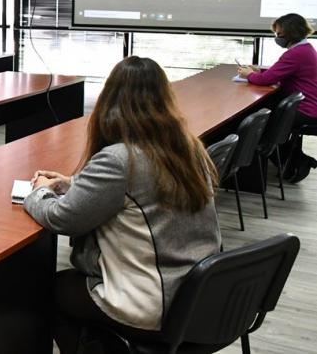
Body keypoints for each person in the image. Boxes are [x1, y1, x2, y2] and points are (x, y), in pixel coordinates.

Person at [24, 57, 221, 354]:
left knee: (45, 292)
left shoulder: (119, 158)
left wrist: (39, 193)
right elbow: (142, 189)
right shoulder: (188, 148)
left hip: (152, 303)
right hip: (201, 296)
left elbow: (62, 219)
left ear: (109, 99)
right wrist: (75, 183)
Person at [239, 13, 317, 180]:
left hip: (305, 109)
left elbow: (266, 80)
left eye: (280, 34)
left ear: (291, 33)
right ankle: (293, 160)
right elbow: (280, 73)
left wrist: (249, 75)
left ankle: (299, 160)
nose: (277, 38)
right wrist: (259, 71)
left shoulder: (296, 53)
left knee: (259, 126)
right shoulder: (304, 49)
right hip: (307, 105)